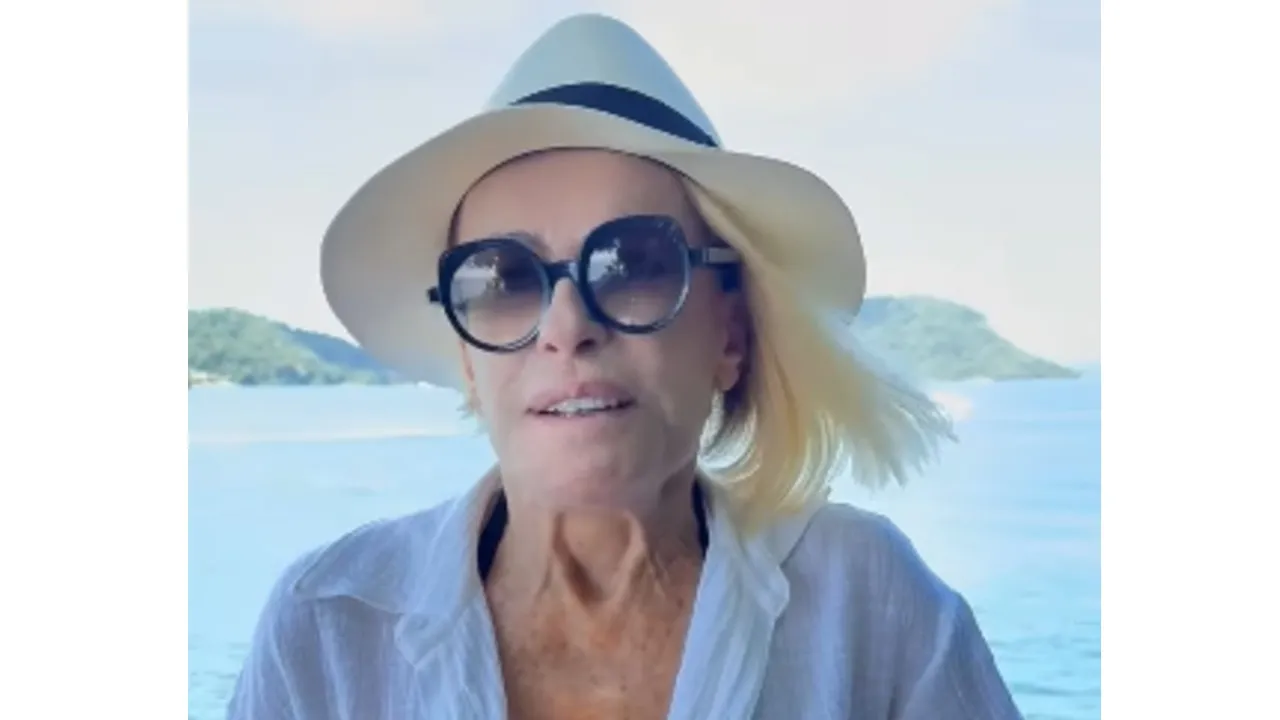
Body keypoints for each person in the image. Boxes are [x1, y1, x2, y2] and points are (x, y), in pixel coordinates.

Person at [226, 13, 1023, 720]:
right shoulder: (328, 626)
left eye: (634, 264)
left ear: (731, 334)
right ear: (467, 358)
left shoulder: (870, 601)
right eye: (502, 279)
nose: (567, 328)